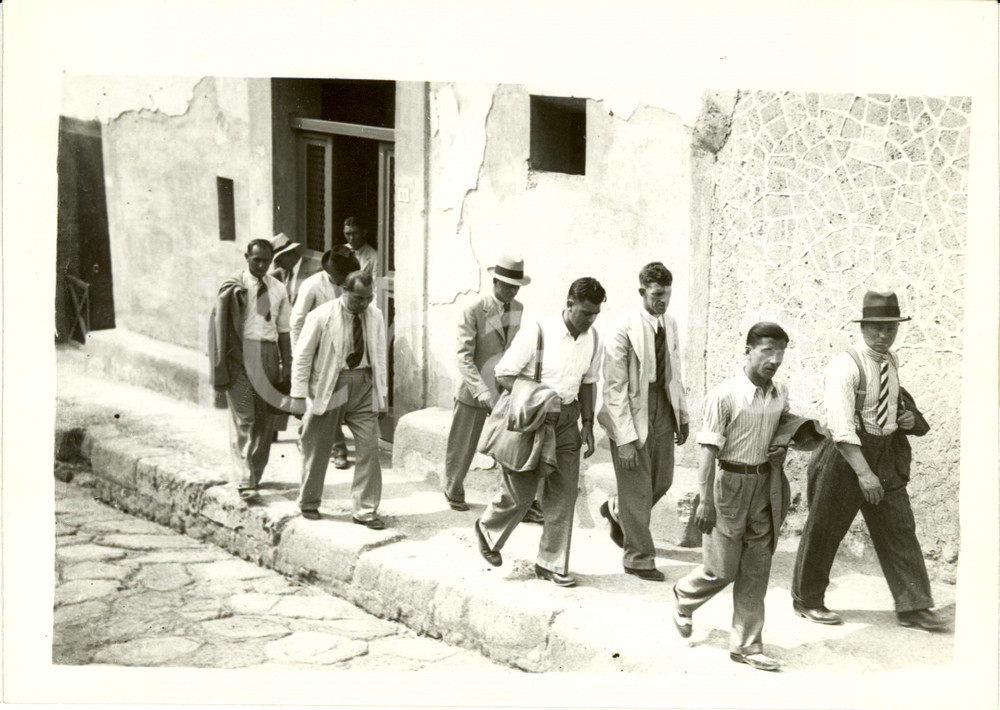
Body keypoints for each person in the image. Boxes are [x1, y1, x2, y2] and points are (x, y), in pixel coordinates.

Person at [791, 291, 945, 631]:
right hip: (844, 458)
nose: (883, 335)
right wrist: (864, 474)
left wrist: (903, 418)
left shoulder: (891, 361)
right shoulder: (844, 367)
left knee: (900, 527)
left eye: (890, 327)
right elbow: (842, 428)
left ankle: (915, 606)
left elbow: (888, 402)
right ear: (863, 328)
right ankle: (807, 600)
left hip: (885, 453)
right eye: (876, 327)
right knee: (825, 529)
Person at [672, 322, 797, 672]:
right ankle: (684, 596)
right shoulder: (723, 395)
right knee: (721, 569)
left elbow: (783, 428)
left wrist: (782, 447)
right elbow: (708, 450)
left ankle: (746, 645)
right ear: (748, 351)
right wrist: (705, 499)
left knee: (757, 569)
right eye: (767, 351)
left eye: (781, 352)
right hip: (727, 483)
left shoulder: (780, 392)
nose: (775, 359)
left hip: (764, 485)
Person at [474, 277, 605, 588]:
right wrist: (538, 396)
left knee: (564, 493)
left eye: (595, 314)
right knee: (520, 493)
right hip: (532, 419)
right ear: (569, 304)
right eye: (585, 312)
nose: (590, 320)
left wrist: (587, 424)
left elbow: (589, 382)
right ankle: (488, 529)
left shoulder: (594, 339)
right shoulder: (538, 331)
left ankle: (551, 563)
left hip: (568, 421)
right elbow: (503, 374)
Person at [596, 262, 689, 581]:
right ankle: (638, 557)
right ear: (642, 292)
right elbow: (614, 386)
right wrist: (624, 438)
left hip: (663, 404)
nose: (662, 301)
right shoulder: (623, 328)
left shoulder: (671, 323)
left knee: (662, 479)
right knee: (636, 486)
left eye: (667, 294)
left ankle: (618, 511)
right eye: (656, 294)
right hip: (631, 409)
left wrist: (682, 414)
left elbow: (675, 371)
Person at [443, 256, 543, 523]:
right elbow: (464, 356)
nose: (513, 291)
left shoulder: (518, 308)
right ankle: (453, 488)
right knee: (463, 444)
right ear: (495, 282)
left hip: (504, 388)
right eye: (508, 285)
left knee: (510, 446)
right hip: (474, 389)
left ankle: (514, 502)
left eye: (516, 286)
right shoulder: (474, 309)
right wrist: (481, 391)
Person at [289, 270, 388, 529]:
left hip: (364, 385)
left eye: (368, 298)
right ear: (344, 290)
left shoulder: (375, 315)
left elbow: (379, 356)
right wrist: (298, 395)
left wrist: (382, 394)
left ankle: (365, 511)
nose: (364, 304)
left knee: (369, 449)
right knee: (318, 448)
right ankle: (309, 502)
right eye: (358, 298)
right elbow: (302, 356)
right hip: (330, 386)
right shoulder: (321, 316)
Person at [211, 238, 292, 502]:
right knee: (244, 418)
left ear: (272, 260)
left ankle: (255, 473)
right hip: (240, 354)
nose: (260, 265)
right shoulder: (234, 287)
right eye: (256, 259)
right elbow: (222, 321)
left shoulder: (279, 288)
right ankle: (245, 479)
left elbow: (283, 330)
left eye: (266, 260)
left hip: (267, 354)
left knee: (264, 420)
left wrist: (286, 363)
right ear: (247, 257)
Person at [290, 246, 360, 468]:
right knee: (326, 399)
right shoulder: (312, 285)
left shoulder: (350, 282)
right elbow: (296, 322)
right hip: (318, 350)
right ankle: (337, 447)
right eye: (339, 278)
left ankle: (306, 432)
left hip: (344, 349)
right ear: (330, 273)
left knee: (335, 398)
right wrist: (299, 354)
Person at [269, 233, 310, 441]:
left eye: (280, 258)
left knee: (303, 380)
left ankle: (308, 427)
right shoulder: (280, 274)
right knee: (283, 377)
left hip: (306, 335)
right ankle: (274, 428)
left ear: (291, 254)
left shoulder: (311, 271)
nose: (278, 263)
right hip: (286, 334)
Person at [269, 233, 310, 306]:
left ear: (289, 253)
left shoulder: (312, 271)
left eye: (279, 260)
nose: (278, 265)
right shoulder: (284, 271)